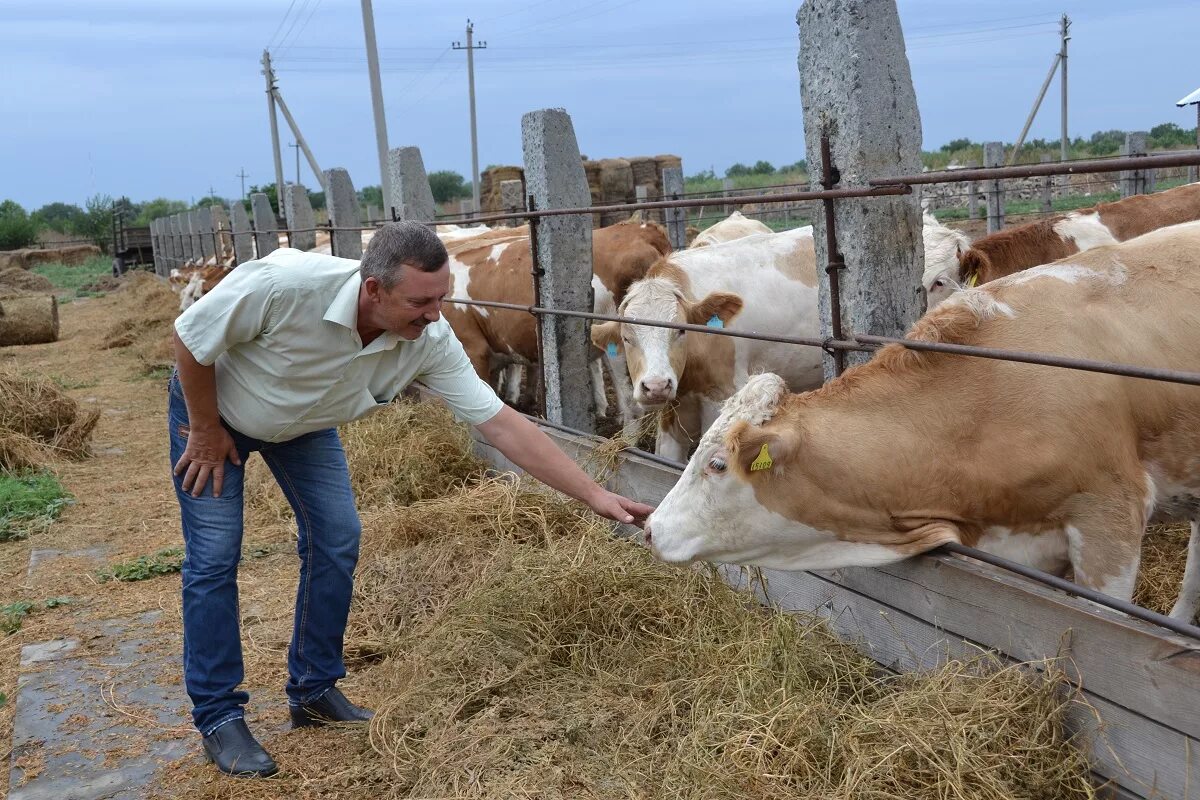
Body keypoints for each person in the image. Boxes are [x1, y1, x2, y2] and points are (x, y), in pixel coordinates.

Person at [169, 221, 654, 778]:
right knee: (214, 556)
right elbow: (190, 337)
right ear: (373, 289)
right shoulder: (286, 286)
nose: (435, 314)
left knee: (338, 537)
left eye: (441, 298)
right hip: (215, 416)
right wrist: (205, 428)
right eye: (420, 302)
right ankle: (219, 717)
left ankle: (313, 689)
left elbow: (501, 424)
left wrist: (594, 495)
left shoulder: (430, 339)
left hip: (305, 424)